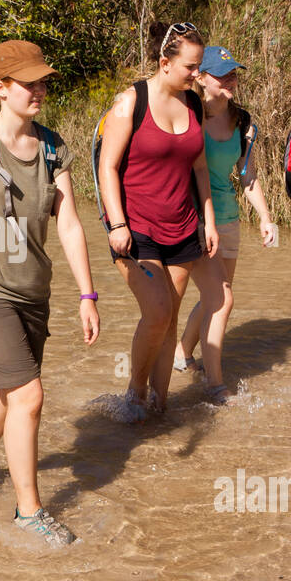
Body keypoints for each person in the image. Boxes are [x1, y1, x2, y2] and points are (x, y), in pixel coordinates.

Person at [0, 40, 100, 548]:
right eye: (28, 83)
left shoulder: (54, 148)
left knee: (9, 392)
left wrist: (87, 295)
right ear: (0, 87)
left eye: (43, 81)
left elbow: (70, 224)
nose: (39, 90)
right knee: (29, 395)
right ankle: (28, 511)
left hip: (36, 291)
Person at [96, 21, 229, 411]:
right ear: (164, 62)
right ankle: (135, 395)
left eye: (199, 66)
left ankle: (159, 405)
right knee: (157, 310)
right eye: (190, 67)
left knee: (170, 320)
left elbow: (200, 168)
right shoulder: (130, 102)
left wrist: (208, 220)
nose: (197, 75)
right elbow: (108, 167)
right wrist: (117, 224)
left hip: (184, 227)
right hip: (138, 230)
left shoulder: (192, 104)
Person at [175, 46, 278, 377]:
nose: (231, 78)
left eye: (234, 72)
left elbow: (247, 176)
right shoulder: (187, 116)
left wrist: (265, 217)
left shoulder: (243, 121)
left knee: (215, 299)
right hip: (195, 220)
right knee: (220, 297)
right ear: (201, 78)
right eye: (223, 73)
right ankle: (213, 379)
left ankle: (183, 354)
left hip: (229, 219)